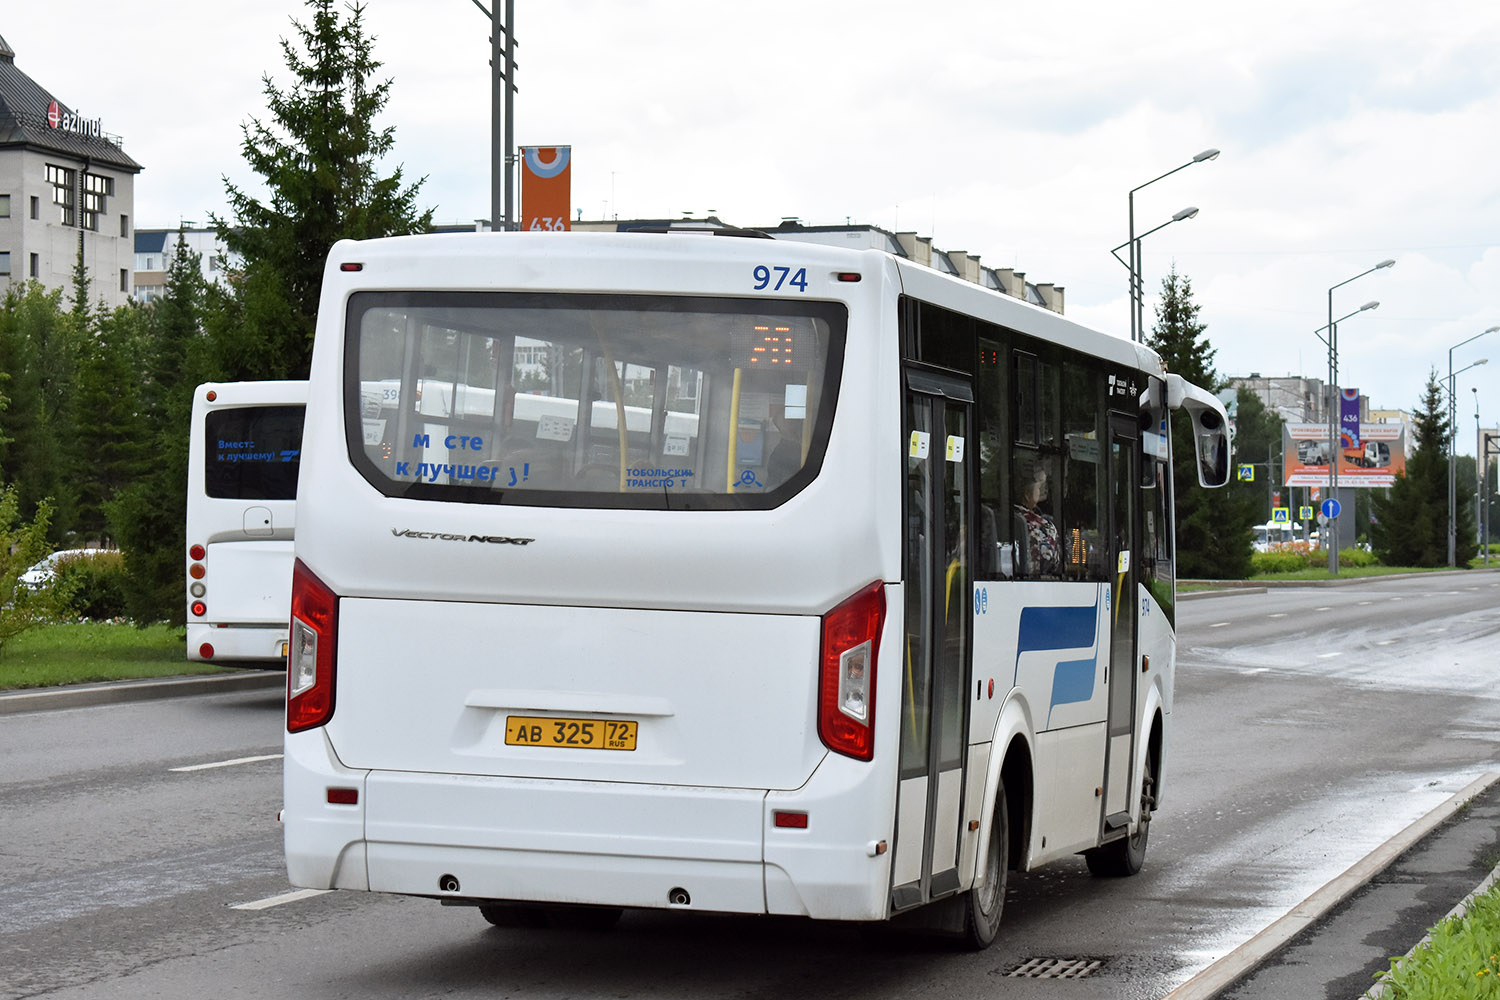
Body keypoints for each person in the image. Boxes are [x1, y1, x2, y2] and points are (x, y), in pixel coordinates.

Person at [1015, 461, 1063, 578]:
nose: (1043, 491)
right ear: (1027, 495)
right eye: (1040, 488)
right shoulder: (1042, 527)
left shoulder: (992, 517)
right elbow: (1052, 564)